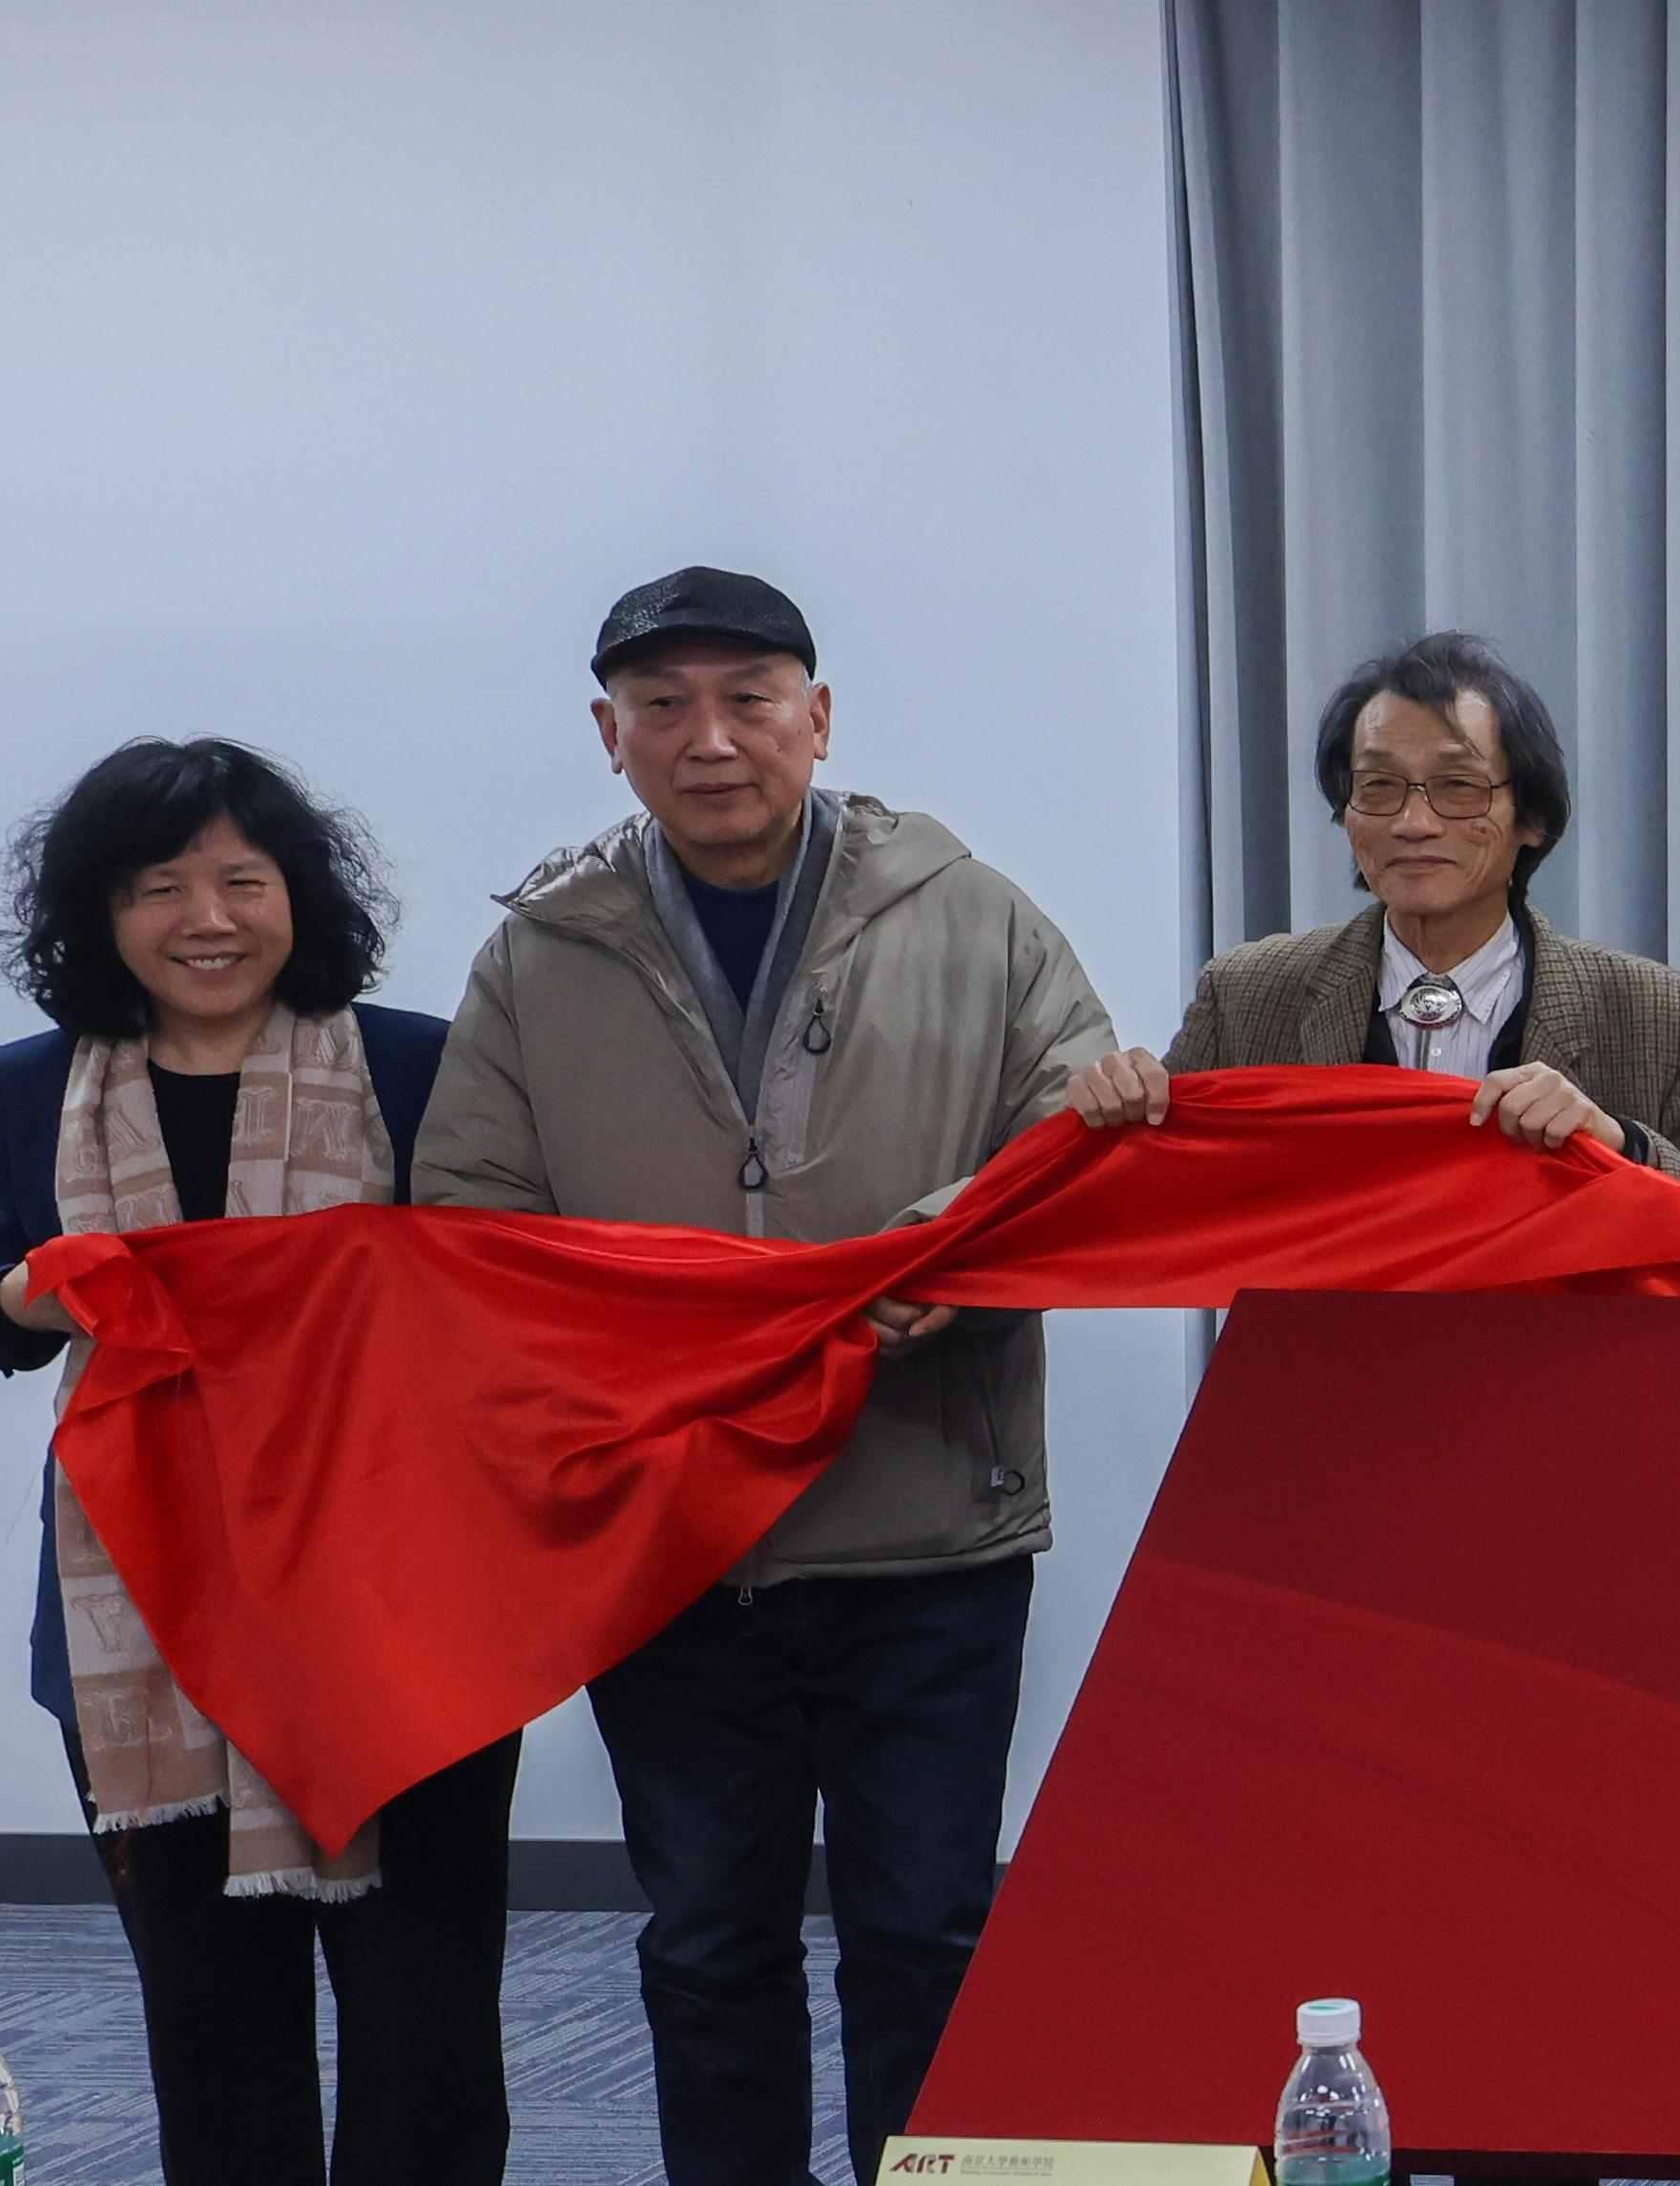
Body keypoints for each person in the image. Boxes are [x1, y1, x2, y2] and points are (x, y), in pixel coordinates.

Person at [409, 568, 1162, 2186]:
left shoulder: (974, 915)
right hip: (670, 1541)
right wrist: (651, 1334)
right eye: (663, 705)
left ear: (816, 718)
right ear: (609, 735)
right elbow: (470, 1214)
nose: (711, 739)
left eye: (749, 698)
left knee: (927, 1932)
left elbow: (1076, 1142)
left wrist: (935, 1260)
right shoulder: (542, 954)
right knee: (704, 1944)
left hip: (925, 1525)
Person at [0, 742, 510, 2186]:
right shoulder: (32, 1084)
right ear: (100, 915)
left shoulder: (414, 1062)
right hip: (146, 1612)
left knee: (425, 2027)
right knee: (212, 2028)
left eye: (241, 880)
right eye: (159, 886)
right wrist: (33, 1292)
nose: (206, 917)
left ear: (297, 896)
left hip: (395, 1617)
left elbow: (503, 1290)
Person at [1154, 632, 1680, 1202]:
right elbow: (1158, 1196)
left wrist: (1623, 1145)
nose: (1413, 823)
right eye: (1378, 785)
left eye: (1459, 787)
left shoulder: (1667, 1021)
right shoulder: (1245, 998)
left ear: (1532, 818)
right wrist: (1125, 1111)